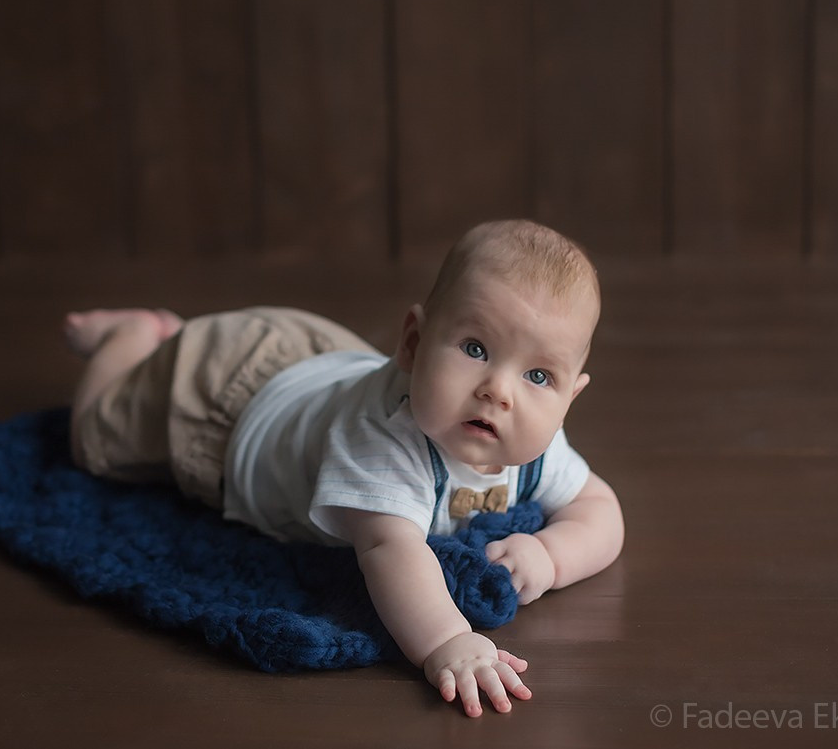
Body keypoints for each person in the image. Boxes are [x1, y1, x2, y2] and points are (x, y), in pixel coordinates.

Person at [64, 219, 625, 717]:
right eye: (475, 348)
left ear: (570, 398)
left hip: (324, 370)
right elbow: (392, 551)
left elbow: (600, 510)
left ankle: (171, 337)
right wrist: (447, 641)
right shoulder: (384, 442)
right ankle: (132, 338)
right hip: (230, 402)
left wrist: (552, 557)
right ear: (413, 343)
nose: (498, 391)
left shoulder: (536, 444)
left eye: (538, 377)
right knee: (95, 442)